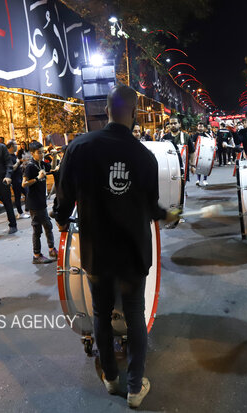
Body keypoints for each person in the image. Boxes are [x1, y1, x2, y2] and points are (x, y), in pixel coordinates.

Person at [55, 85, 179, 408]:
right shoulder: (145, 157)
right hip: (132, 254)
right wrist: (168, 213)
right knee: (135, 316)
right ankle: (135, 387)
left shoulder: (79, 147)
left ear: (106, 111)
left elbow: (63, 200)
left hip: (97, 253)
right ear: (136, 115)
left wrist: (59, 218)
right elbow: (151, 209)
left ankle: (110, 378)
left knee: (101, 314)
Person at [22, 141, 57, 264]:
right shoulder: (30, 166)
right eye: (39, 152)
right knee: (39, 228)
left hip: (41, 201)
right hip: (34, 203)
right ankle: (37, 255)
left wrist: (55, 156)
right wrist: (37, 178)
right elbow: (24, 183)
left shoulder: (41, 164)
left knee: (47, 226)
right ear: (32, 153)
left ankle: (52, 249)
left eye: (43, 152)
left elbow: (52, 168)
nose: (42, 154)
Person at [161, 116, 196, 181]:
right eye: (171, 124)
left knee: (182, 188)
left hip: (183, 167)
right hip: (169, 168)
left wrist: (193, 165)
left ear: (179, 124)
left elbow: (192, 152)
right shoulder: (164, 138)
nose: (173, 125)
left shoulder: (186, 136)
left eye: (175, 123)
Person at [6, 141, 28, 219]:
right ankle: (20, 213)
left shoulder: (13, 155)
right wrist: (18, 163)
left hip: (19, 177)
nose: (17, 146)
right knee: (18, 195)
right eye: (15, 145)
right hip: (15, 179)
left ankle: (26, 210)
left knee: (27, 192)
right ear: (11, 146)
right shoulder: (8, 157)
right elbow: (11, 168)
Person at [191, 122, 210, 186]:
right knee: (198, 166)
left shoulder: (207, 135)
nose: (200, 127)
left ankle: (205, 180)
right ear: (197, 127)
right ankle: (198, 180)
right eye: (199, 126)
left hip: (205, 152)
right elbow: (193, 144)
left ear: (204, 127)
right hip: (197, 153)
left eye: (201, 126)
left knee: (205, 166)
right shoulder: (195, 135)